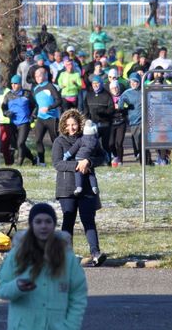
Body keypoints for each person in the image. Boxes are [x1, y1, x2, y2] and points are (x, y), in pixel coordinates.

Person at [0, 203, 87, 330]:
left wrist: (71, 326)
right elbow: (0, 289)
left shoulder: (67, 257)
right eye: (38, 222)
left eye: (48, 221)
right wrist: (17, 286)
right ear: (31, 224)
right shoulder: (17, 254)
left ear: (54, 224)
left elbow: (78, 295)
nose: (43, 226)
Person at [52, 109, 107, 266]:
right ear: (63, 125)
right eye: (68, 125)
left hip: (87, 186)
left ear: (80, 124)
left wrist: (88, 162)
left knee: (88, 219)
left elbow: (103, 157)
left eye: (74, 124)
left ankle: (96, 252)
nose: (71, 128)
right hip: (66, 187)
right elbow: (57, 163)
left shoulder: (89, 138)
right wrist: (78, 165)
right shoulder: (59, 142)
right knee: (68, 219)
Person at [118, 73, 153, 165]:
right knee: (138, 143)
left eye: (135, 81)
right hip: (133, 122)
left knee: (144, 142)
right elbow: (120, 106)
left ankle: (146, 162)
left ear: (139, 82)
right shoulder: (126, 93)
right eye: (131, 82)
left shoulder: (144, 91)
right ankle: (141, 157)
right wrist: (124, 107)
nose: (133, 83)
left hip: (145, 121)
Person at [2, 75, 36, 166]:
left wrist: (32, 116)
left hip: (24, 123)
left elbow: (35, 106)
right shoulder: (8, 95)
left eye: (15, 83)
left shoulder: (27, 94)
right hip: (13, 123)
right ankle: (33, 158)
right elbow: (3, 108)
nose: (13, 85)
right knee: (16, 145)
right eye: (12, 83)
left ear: (20, 84)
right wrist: (6, 113)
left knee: (20, 143)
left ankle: (19, 163)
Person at [32, 68, 62, 166]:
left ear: (45, 76)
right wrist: (34, 114)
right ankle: (41, 162)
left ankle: (58, 161)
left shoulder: (50, 87)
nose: (37, 78)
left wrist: (49, 108)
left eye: (39, 75)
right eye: (36, 76)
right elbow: (37, 105)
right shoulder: (35, 89)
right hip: (41, 118)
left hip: (52, 118)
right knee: (37, 140)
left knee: (55, 141)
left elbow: (59, 101)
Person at [63, 119, 101, 196]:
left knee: (78, 173)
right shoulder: (96, 141)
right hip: (89, 158)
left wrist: (66, 155)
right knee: (91, 174)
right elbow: (100, 152)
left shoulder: (81, 140)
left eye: (74, 124)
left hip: (79, 158)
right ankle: (94, 187)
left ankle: (79, 187)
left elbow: (73, 149)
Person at [83, 75, 114, 164]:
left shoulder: (107, 95)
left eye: (97, 83)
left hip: (105, 124)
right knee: (92, 144)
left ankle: (108, 162)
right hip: (93, 124)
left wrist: (103, 112)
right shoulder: (89, 95)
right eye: (93, 83)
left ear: (101, 84)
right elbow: (85, 109)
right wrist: (86, 119)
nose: (95, 85)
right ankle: (94, 162)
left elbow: (111, 109)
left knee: (106, 145)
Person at [108, 80, 127, 167]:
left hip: (121, 122)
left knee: (119, 143)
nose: (115, 89)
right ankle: (115, 156)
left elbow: (128, 107)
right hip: (111, 122)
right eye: (112, 88)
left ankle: (120, 161)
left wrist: (121, 107)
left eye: (116, 87)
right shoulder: (108, 98)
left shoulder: (123, 97)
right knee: (111, 143)